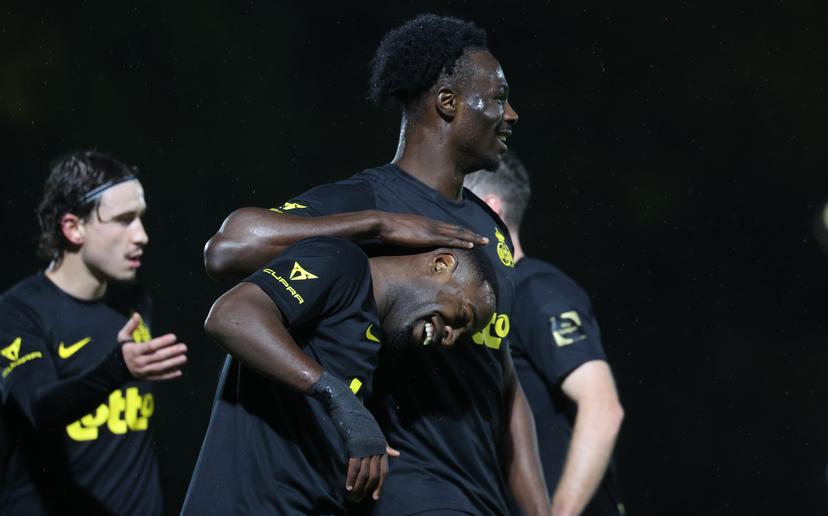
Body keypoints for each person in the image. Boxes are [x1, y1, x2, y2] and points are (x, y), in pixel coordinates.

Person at [203, 14, 552, 516]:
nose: (511, 114)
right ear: (448, 103)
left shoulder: (490, 231)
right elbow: (227, 249)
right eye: (498, 98)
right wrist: (377, 225)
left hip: (480, 495)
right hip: (403, 487)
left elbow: (505, 381)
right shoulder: (369, 199)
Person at [182, 236, 498, 515]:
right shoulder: (342, 262)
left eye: (462, 334)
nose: (451, 338)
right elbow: (231, 316)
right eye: (463, 317)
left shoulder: (377, 349)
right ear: (441, 264)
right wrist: (339, 397)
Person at [0, 151, 188, 516]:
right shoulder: (18, 312)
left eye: (141, 218)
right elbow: (39, 407)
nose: (142, 235)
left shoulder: (135, 302)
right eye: (124, 220)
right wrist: (117, 369)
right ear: (73, 228)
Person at [464, 153, 626, 516]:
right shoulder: (483, 304)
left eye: (455, 205)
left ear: (491, 209)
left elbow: (602, 408)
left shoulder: (537, 290)